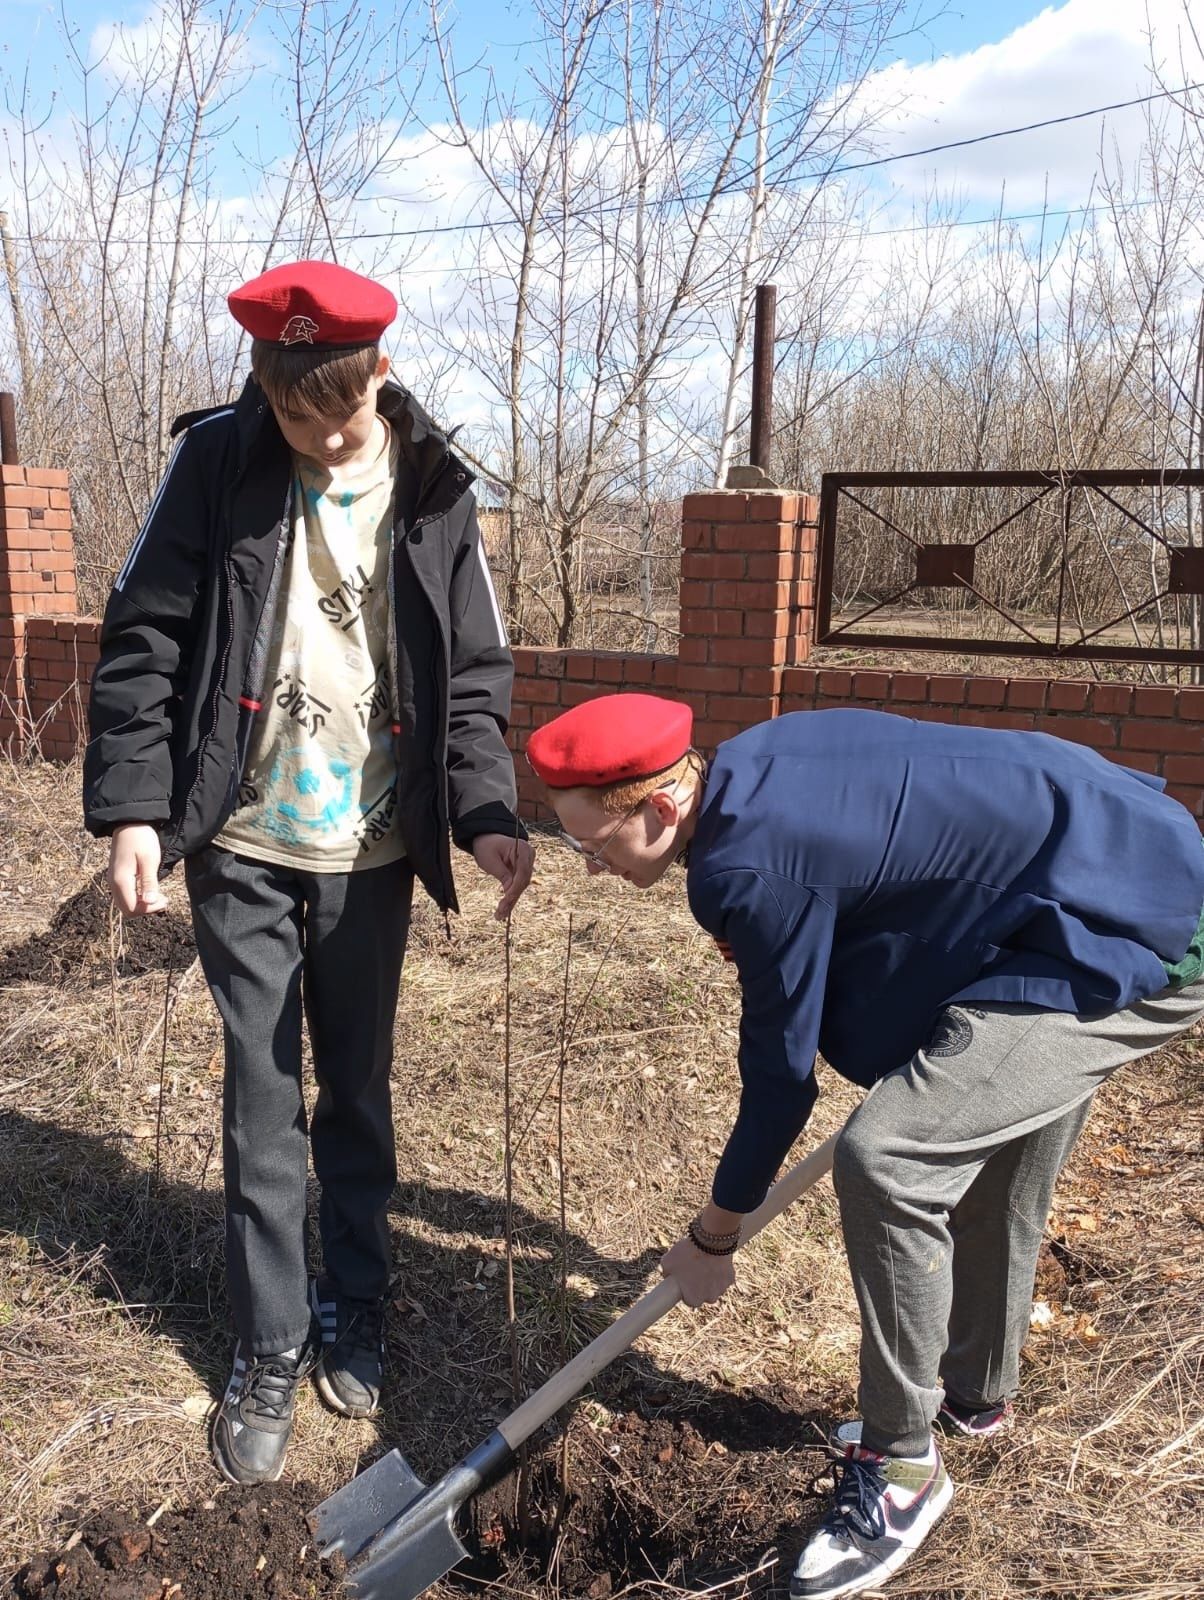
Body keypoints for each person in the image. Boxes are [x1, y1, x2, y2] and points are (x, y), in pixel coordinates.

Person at [525, 692, 1204, 1600]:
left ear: (660, 805)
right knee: (978, 1134)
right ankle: (975, 1394)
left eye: (594, 845)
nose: (592, 867)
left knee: (890, 1159)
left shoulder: (745, 865)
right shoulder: (753, 764)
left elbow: (781, 1077)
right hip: (1102, 871)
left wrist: (714, 1234)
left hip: (1128, 925)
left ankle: (903, 1469)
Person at [84, 260, 534, 1486]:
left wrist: (485, 810)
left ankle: (357, 1303)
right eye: (296, 416)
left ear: (380, 374)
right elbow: (142, 639)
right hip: (241, 837)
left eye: (340, 416)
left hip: (372, 851)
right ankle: (271, 1339)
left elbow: (474, 673)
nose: (322, 439)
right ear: (263, 384)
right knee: (260, 1096)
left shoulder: (437, 487)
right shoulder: (215, 463)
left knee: (357, 1092)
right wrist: (134, 811)